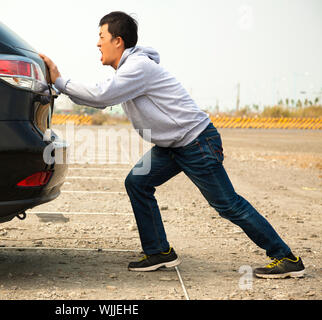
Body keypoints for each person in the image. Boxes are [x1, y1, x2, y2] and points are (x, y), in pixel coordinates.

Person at [39, 11, 305, 279]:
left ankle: (286, 258)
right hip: (173, 147)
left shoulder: (137, 67)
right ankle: (159, 252)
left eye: (101, 37)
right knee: (137, 182)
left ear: (118, 41)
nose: (98, 44)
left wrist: (60, 79)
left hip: (196, 142)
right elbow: (104, 96)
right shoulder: (130, 69)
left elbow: (101, 96)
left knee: (228, 205)